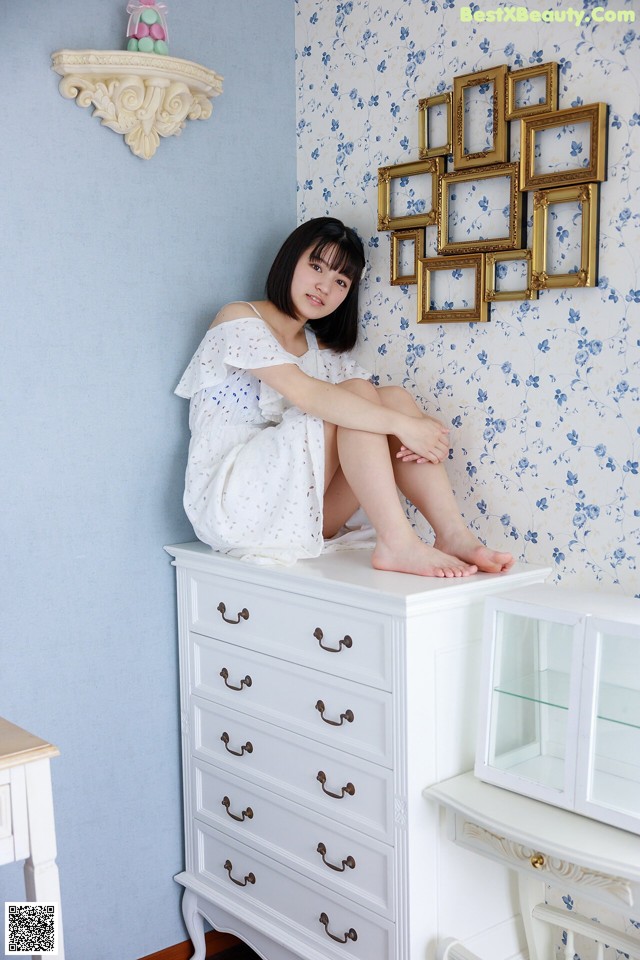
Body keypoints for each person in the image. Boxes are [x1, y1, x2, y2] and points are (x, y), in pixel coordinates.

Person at [175, 217, 514, 578]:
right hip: (233, 505)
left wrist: (418, 428)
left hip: (301, 514)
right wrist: (407, 427)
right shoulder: (239, 318)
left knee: (393, 398)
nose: (324, 286)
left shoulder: (324, 353)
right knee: (363, 401)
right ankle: (398, 542)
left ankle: (453, 535)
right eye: (316, 266)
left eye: (340, 281)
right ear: (290, 259)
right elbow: (306, 394)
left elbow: (370, 408)